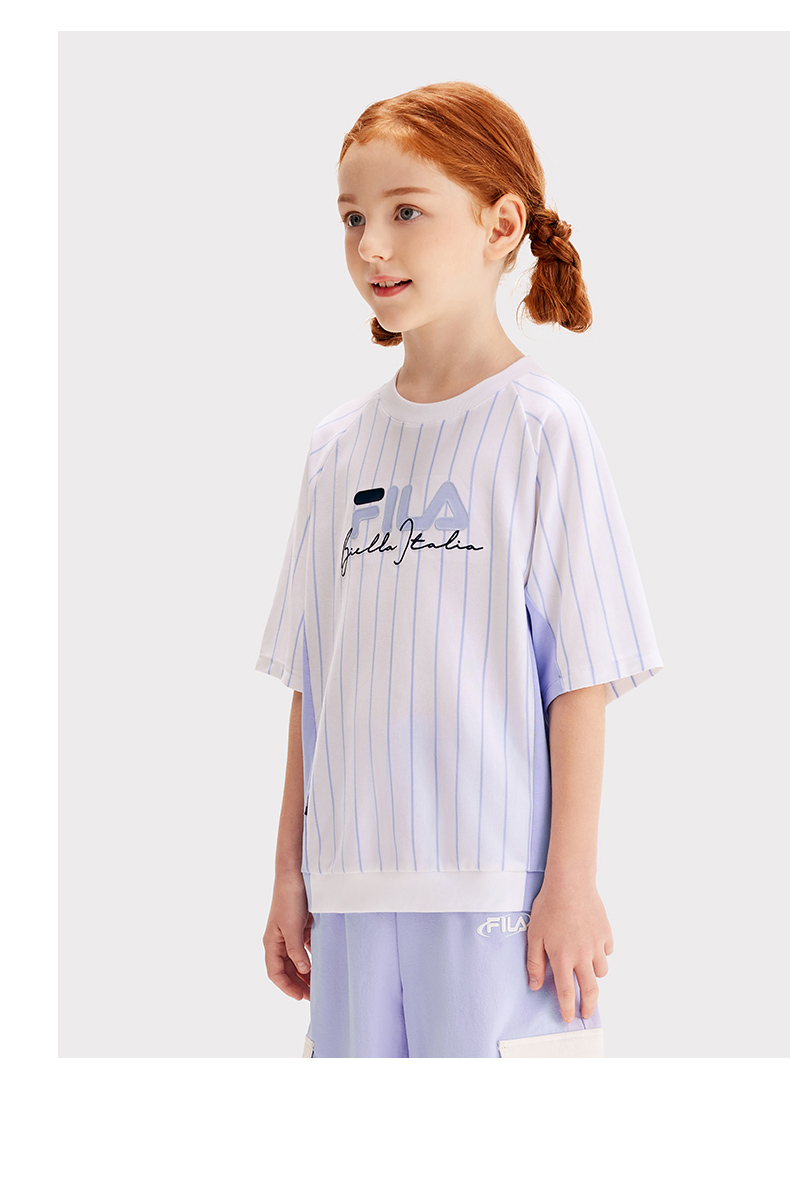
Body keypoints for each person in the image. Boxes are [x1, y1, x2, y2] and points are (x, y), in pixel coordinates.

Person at [255, 80, 663, 1058]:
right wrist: (288, 876)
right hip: (348, 897)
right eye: (352, 217)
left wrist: (569, 881)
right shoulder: (336, 449)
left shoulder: (542, 429)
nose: (372, 246)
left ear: (500, 224)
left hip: (496, 900)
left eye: (406, 212)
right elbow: (315, 678)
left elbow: (580, 678)